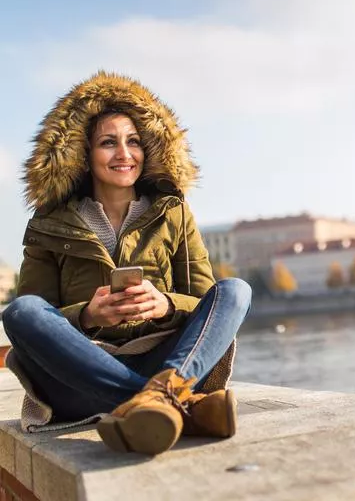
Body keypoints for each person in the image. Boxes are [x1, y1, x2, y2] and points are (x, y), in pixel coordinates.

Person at [3, 71, 252, 456]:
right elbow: (40, 318)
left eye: (133, 141)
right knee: (21, 310)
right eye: (108, 143)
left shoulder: (174, 213)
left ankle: (158, 397)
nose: (124, 154)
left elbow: (204, 301)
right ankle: (173, 405)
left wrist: (165, 304)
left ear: (148, 149)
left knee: (236, 290)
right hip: (79, 379)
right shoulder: (48, 222)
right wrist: (87, 316)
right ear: (82, 155)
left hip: (161, 360)